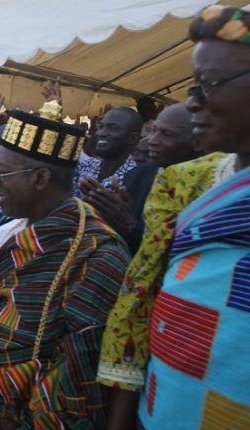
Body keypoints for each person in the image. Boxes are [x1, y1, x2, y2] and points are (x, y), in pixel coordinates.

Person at [99, 6, 250, 429]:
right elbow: (140, 297)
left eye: (207, 85)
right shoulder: (184, 180)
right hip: (166, 406)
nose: (193, 103)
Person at [0, 106, 130, 430]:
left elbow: (89, 370)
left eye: (3, 173)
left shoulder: (97, 253)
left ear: (40, 178)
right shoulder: (13, 234)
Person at [79, 103, 200, 254]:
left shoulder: (208, 187)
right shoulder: (135, 177)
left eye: (167, 134)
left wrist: (130, 225)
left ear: (197, 141)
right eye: (154, 131)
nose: (152, 141)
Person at [72, 107, 141, 197]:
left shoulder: (136, 180)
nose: (100, 133)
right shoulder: (86, 165)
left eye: (112, 128)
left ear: (132, 138)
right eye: (100, 126)